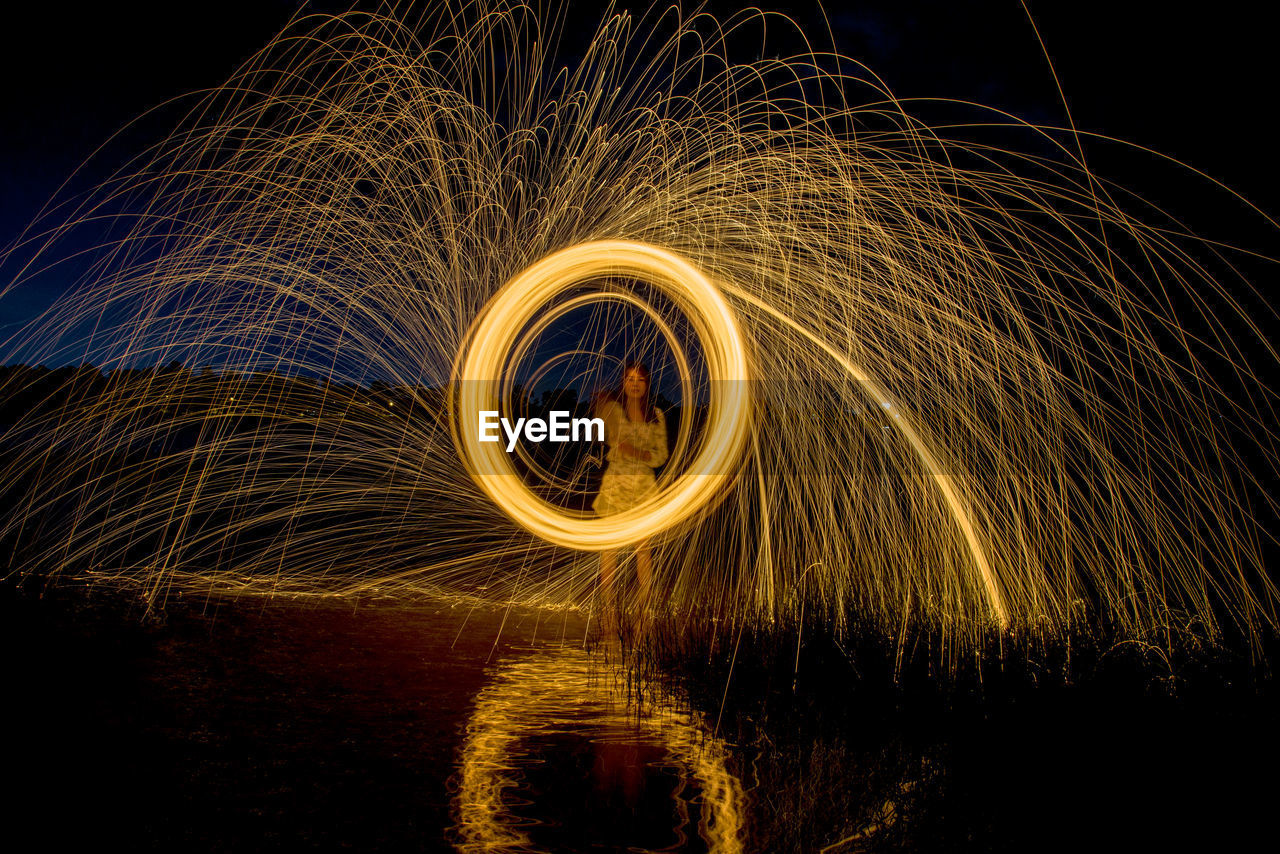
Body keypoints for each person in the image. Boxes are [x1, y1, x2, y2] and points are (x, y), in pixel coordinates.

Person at [592, 361, 669, 637]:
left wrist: (636, 453)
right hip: (617, 484)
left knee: (643, 548)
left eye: (639, 380)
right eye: (629, 379)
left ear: (647, 385)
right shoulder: (615, 411)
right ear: (623, 383)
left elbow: (661, 455)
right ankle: (607, 604)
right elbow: (602, 429)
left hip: (643, 487)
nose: (634, 384)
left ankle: (645, 603)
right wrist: (599, 403)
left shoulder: (657, 416)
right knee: (610, 548)